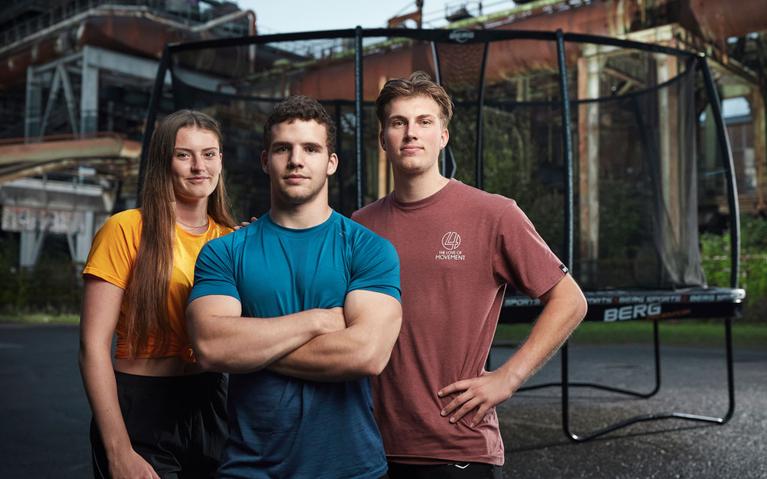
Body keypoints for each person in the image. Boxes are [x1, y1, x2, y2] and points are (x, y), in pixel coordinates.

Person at [352, 71, 588, 478]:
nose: (411, 133)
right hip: (372, 448)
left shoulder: (493, 214)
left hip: (458, 447)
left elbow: (569, 300)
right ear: (382, 139)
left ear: (443, 136)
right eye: (398, 123)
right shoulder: (359, 225)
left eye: (425, 122)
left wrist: (507, 379)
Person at [186, 95, 402, 479]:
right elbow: (210, 347)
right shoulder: (224, 252)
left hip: (351, 469)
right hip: (248, 470)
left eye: (311, 148)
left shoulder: (369, 249)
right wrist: (318, 321)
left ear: (331, 162)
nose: (296, 160)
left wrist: (250, 346)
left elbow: (365, 355)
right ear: (265, 160)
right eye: (283, 148)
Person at [79, 109, 236, 479]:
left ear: (220, 160)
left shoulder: (232, 239)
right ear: (164, 161)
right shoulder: (126, 229)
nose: (199, 166)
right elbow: (91, 347)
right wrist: (118, 450)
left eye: (209, 154)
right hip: (141, 407)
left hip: (211, 403)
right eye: (184, 154)